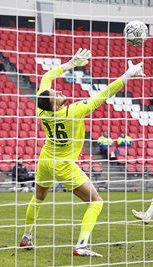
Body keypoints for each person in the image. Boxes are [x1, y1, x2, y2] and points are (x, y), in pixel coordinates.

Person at [19, 48, 145, 257]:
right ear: (53, 105)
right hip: (64, 164)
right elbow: (103, 95)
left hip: (46, 159)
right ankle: (81, 245)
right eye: (55, 95)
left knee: (38, 198)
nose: (59, 92)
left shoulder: (41, 110)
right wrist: (126, 76)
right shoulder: (73, 111)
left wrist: (69, 64)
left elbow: (46, 77)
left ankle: (26, 237)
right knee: (96, 202)